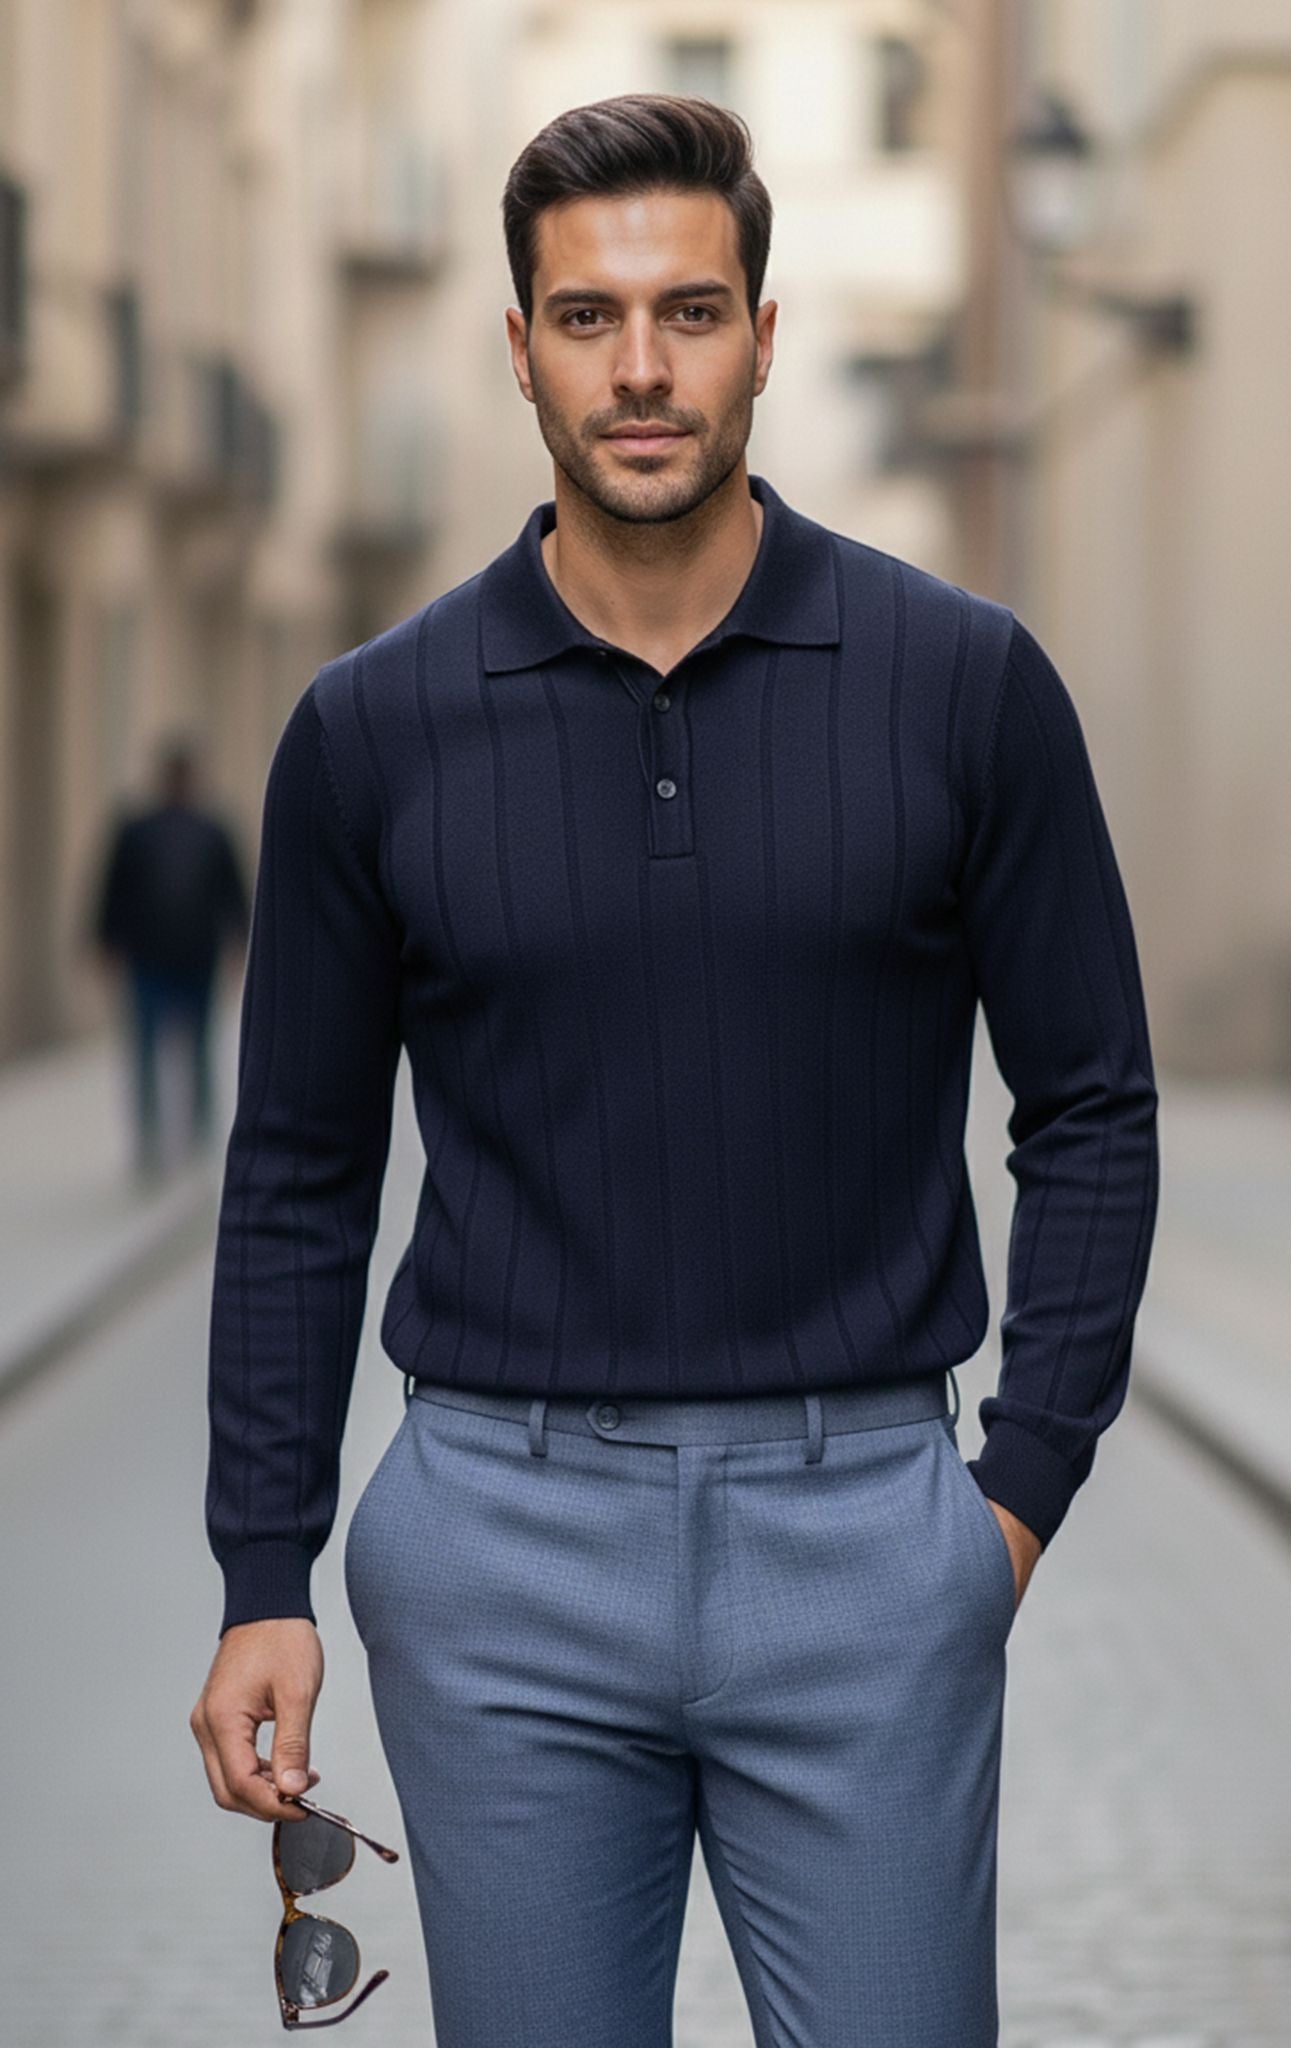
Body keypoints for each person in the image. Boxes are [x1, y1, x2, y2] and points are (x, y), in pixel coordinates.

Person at [191, 94, 1160, 2047]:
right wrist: (262, 1567)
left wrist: (1011, 1496)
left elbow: (1091, 1108)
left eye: (689, 310)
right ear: (520, 342)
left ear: (764, 336)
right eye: (586, 316)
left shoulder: (960, 686)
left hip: (866, 1535)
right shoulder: (368, 731)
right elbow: (298, 1165)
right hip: (498, 1550)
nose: (639, 367)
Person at [91, 733, 249, 1180]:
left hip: (198, 957)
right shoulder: (137, 830)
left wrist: (240, 942)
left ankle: (200, 1134)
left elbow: (234, 891)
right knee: (145, 1050)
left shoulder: (213, 830)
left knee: (198, 1048)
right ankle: (149, 1138)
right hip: (148, 958)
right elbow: (113, 888)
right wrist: (106, 943)